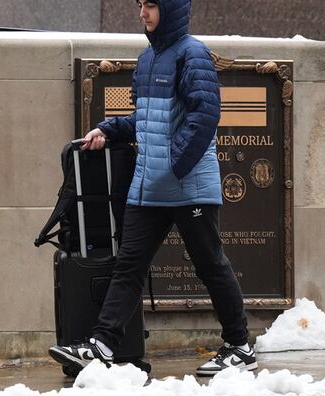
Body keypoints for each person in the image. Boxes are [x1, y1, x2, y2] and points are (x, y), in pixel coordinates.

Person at [49, 0, 257, 376]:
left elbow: (205, 115)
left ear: (171, 8)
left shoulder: (192, 54)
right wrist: (108, 130)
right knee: (129, 265)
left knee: (209, 264)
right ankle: (103, 345)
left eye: (151, 5)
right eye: (140, 4)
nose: (143, 13)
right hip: (150, 187)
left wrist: (174, 163)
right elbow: (147, 120)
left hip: (188, 184)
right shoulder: (148, 59)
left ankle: (240, 346)